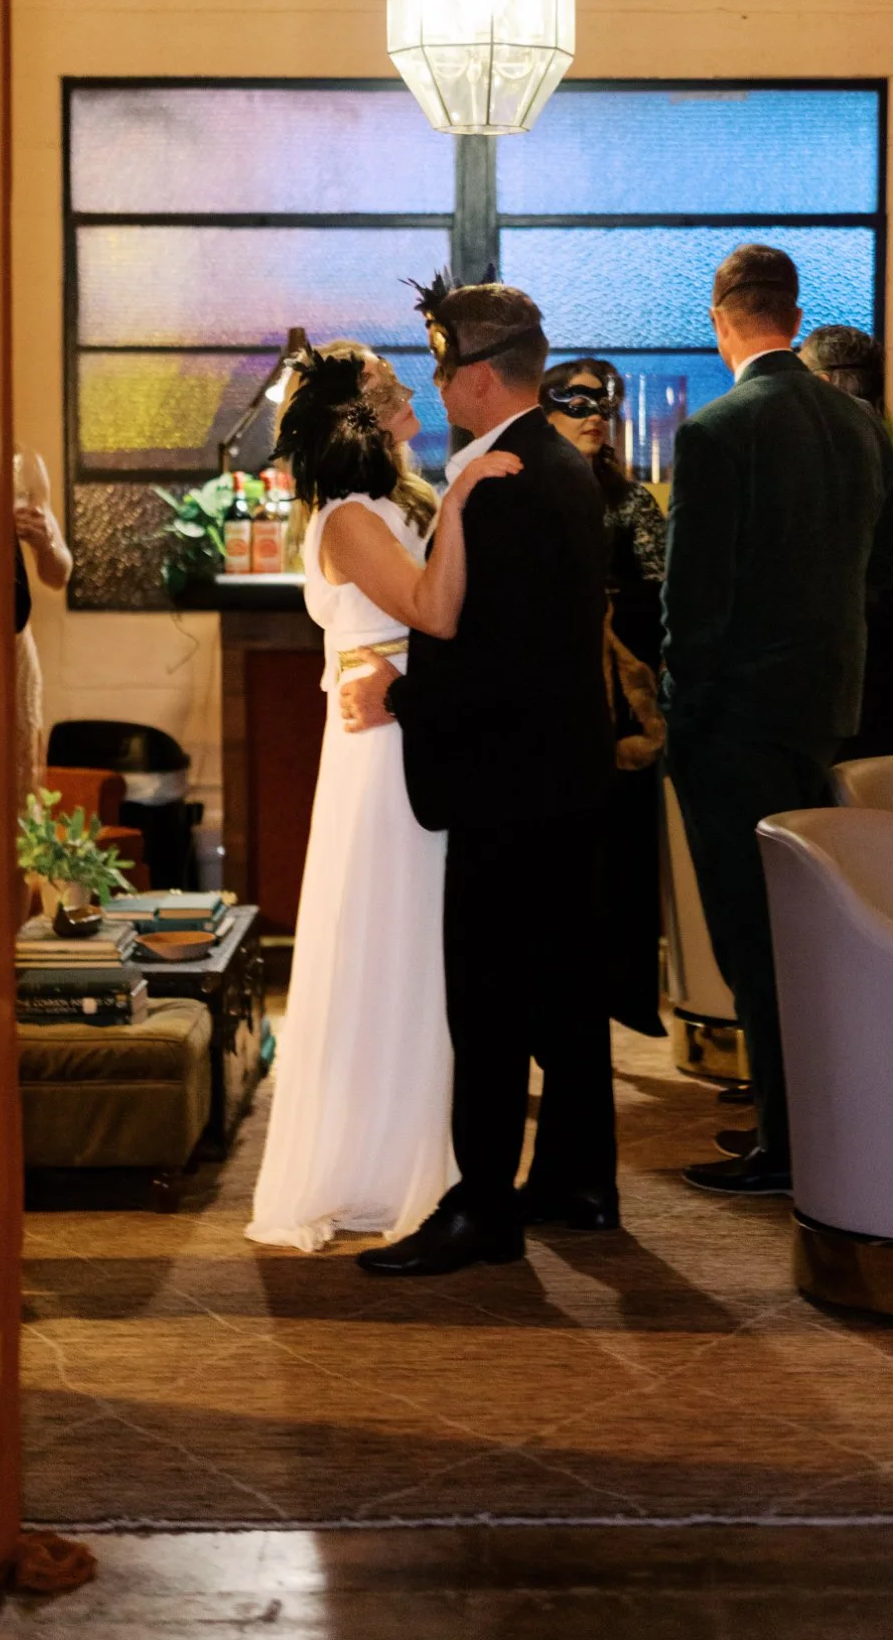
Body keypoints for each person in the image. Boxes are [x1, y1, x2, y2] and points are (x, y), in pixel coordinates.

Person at [340, 282, 619, 1277]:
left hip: (510, 783)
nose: (434, 380)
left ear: (484, 374)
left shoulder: (499, 479)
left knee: (491, 1005)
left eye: (443, 364)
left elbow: (496, 656)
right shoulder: (560, 458)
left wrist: (402, 699)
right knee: (565, 990)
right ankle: (582, 1178)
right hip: (566, 773)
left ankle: (483, 1208)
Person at [245, 342, 521, 1252]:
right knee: (394, 943)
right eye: (390, 386)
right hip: (384, 756)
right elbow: (436, 614)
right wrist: (467, 496)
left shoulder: (383, 502)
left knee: (416, 950)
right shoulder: (352, 517)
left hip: (404, 734)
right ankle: (380, 1162)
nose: (410, 389)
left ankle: (421, 1151)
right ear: (356, 417)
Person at [662, 246, 893, 1195]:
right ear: (794, 313)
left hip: (735, 723)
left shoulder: (719, 431)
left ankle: (786, 1144)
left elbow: (695, 610)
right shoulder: (858, 428)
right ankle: (811, 1125)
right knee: (810, 934)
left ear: (723, 318)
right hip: (830, 716)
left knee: (751, 939)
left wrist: (681, 728)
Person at [542, 357, 667, 1037]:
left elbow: (662, 591)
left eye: (602, 405)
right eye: (577, 403)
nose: (593, 415)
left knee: (624, 846)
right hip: (550, 700)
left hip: (623, 702)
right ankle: (563, 999)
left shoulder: (630, 502)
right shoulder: (523, 493)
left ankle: (627, 990)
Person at [801, 323, 893, 761]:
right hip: (872, 706)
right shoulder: (891, 473)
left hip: (833, 708)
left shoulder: (827, 478)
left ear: (820, 384)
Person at [13, 447, 72, 811]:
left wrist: (43, 541)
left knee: (22, 777)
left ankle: (20, 865)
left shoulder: (22, 462)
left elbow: (58, 574)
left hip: (13, 641)